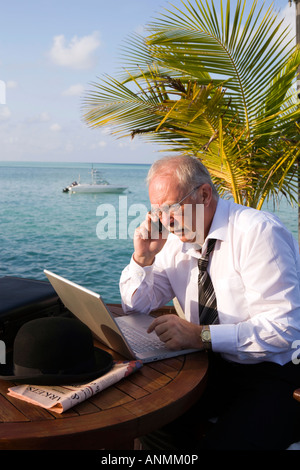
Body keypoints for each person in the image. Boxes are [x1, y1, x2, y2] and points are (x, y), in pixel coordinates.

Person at [119, 154, 300, 450]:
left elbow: (283, 330)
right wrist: (143, 258)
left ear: (204, 194)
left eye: (171, 208)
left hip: (276, 372)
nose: (165, 220)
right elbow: (136, 306)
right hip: (211, 366)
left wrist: (199, 335)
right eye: (157, 211)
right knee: (149, 418)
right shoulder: (175, 240)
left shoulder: (258, 232)